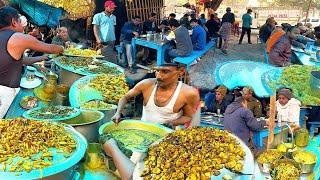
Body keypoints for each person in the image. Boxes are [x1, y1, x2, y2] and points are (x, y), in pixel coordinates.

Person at [0, 6, 63, 118]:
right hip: (4, 94)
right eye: (20, 21)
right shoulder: (18, 37)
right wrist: (65, 48)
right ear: (14, 22)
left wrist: (41, 58)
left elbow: (20, 60)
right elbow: (52, 48)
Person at [111, 63, 200, 128]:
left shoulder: (188, 93)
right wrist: (118, 113)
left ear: (180, 72)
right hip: (143, 129)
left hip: (166, 134)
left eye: (165, 71)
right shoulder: (146, 84)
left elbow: (188, 117)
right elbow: (125, 97)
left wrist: (172, 122)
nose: (159, 76)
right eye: (157, 71)